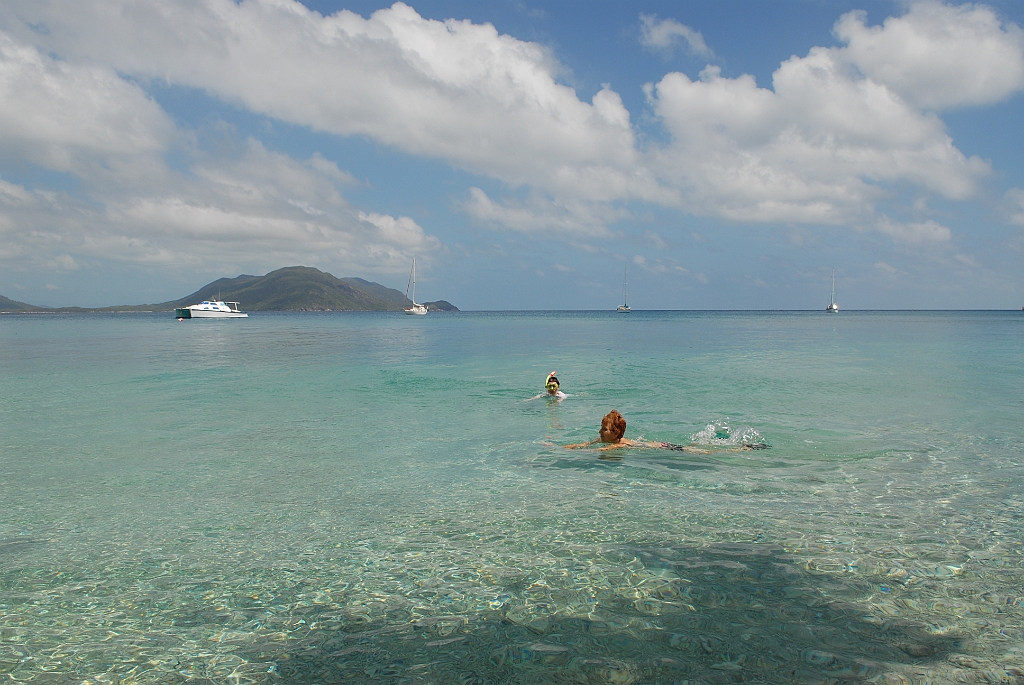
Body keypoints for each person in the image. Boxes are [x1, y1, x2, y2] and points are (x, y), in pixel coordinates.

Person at [564, 410, 769, 452]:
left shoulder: (613, 446)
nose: (599, 432)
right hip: (658, 446)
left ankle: (744, 448)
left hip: (663, 448)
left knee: (704, 452)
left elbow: (597, 451)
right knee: (695, 447)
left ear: (617, 435)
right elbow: (584, 445)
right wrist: (564, 447)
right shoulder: (603, 441)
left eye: (604, 429)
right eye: (600, 428)